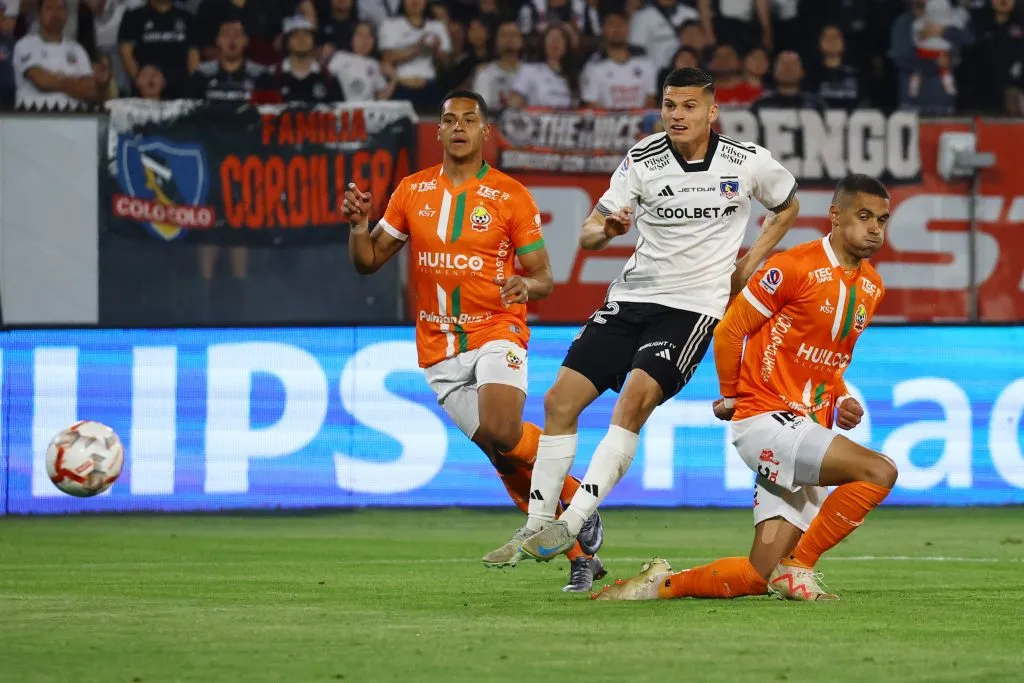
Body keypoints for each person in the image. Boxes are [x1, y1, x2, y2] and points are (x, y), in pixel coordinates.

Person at [486, 67, 801, 565]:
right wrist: (606, 229)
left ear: (711, 112)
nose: (677, 115)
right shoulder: (643, 158)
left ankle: (573, 520)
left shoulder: (747, 162)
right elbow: (589, 233)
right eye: (670, 105)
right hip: (632, 298)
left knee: (633, 400)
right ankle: (535, 525)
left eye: (689, 106)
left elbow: (787, 205)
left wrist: (751, 259)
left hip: (693, 307)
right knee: (558, 403)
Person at [341, 89, 607, 593]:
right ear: (439, 131)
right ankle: (579, 555)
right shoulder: (411, 192)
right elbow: (368, 261)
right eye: (448, 120)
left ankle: (577, 507)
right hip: (437, 347)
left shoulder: (510, 196)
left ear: (486, 131)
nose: (458, 127)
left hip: (496, 328)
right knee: (501, 454)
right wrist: (358, 227)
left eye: (469, 120)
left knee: (503, 430)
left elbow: (543, 277)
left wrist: (524, 286)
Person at [593, 174, 899, 602]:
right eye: (864, 216)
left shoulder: (871, 287)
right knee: (879, 471)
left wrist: (842, 396)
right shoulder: (792, 267)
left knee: (757, 574)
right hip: (767, 419)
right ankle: (799, 567)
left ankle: (655, 587)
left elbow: (829, 360)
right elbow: (731, 330)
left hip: (805, 424)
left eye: (882, 220)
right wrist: (732, 394)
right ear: (835, 216)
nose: (874, 229)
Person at [14, 0, 107, 111]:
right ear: (38, 16)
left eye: (60, 8)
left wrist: (55, 81)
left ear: (67, 14)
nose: (55, 13)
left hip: (74, 118)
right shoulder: (25, 44)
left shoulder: (78, 49)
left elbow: (90, 90)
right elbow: (42, 81)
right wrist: (77, 84)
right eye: (49, 8)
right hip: (33, 116)